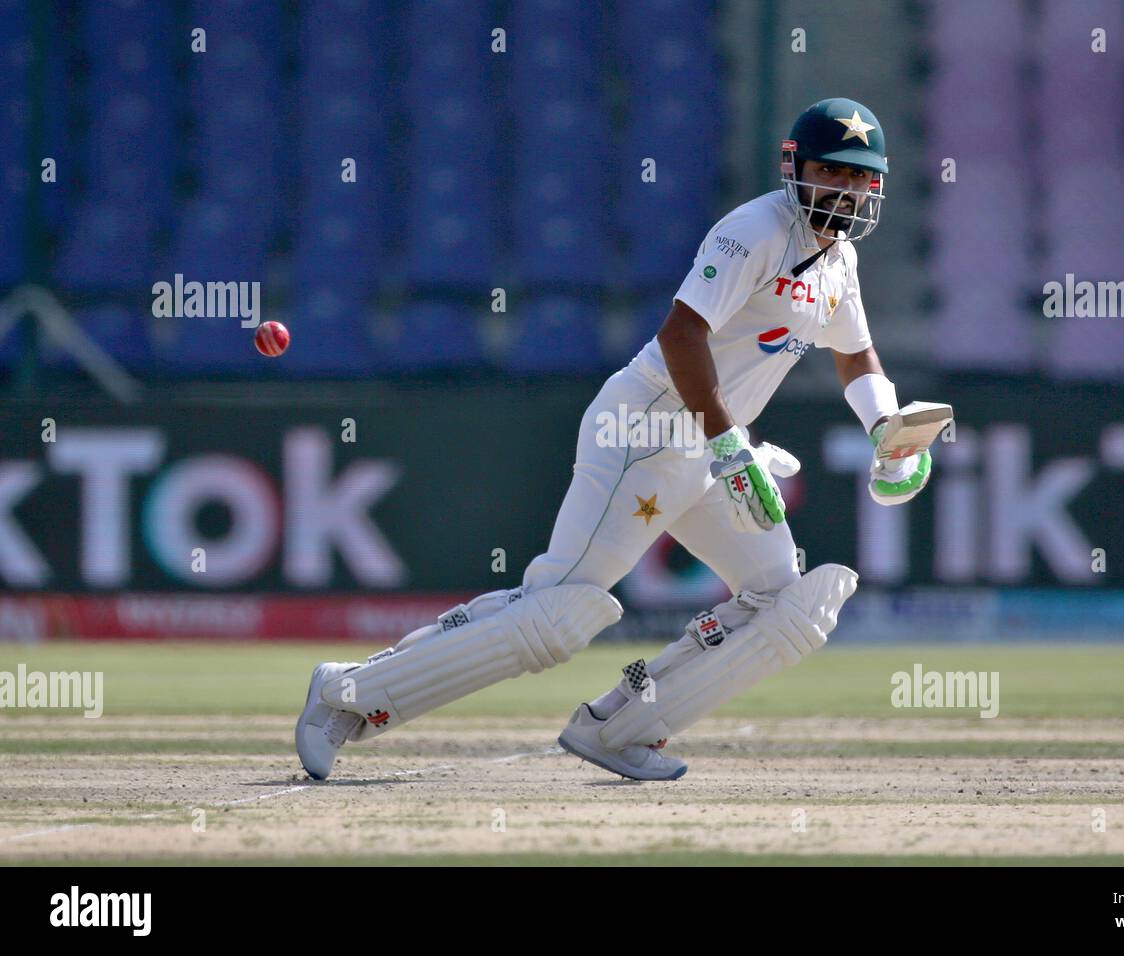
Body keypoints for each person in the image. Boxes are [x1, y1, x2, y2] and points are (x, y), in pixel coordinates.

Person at [296, 98, 933, 781]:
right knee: (561, 612)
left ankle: (623, 726)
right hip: (646, 427)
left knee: (785, 604)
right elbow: (681, 335)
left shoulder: (840, 262)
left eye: (858, 176)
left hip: (716, 451)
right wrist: (727, 445)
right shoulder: (755, 231)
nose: (844, 188)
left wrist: (886, 431)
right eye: (829, 171)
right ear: (793, 165)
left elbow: (856, 354)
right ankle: (347, 692)